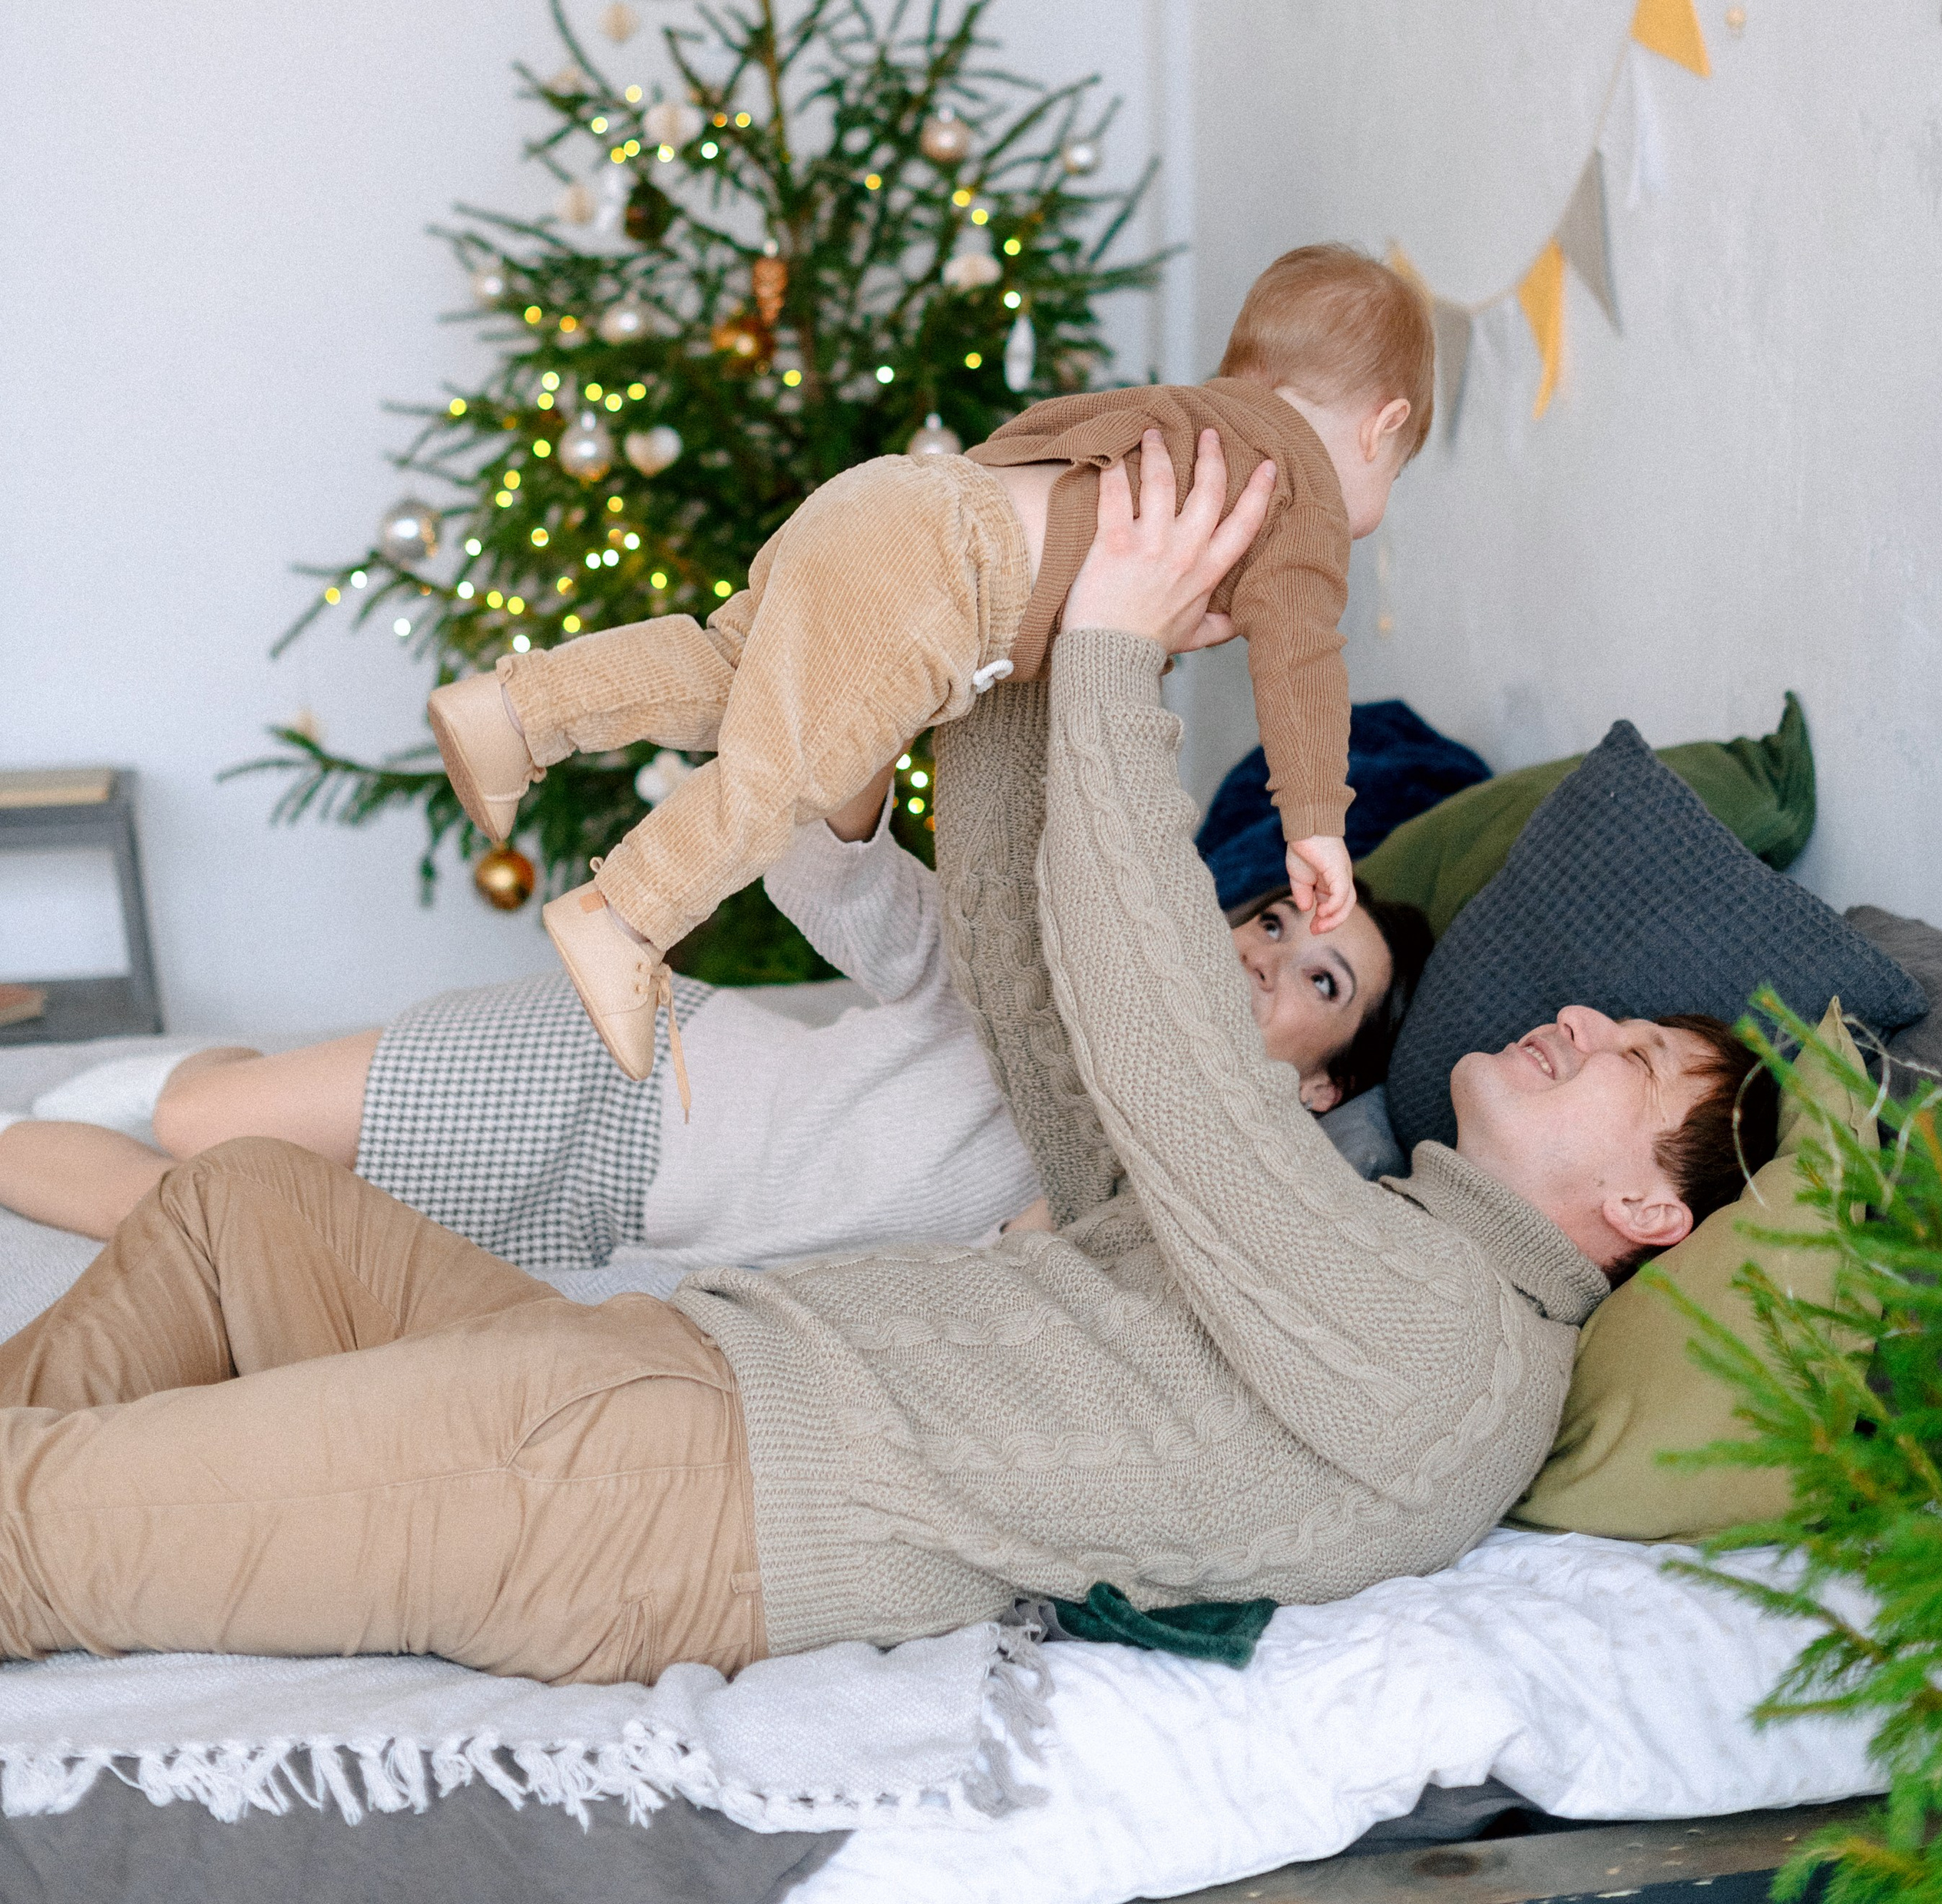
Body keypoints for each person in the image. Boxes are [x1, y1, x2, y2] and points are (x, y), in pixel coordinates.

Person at [0, 436, 1772, 1680]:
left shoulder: (1457, 1352)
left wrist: (1115, 667)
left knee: (44, 1519)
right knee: (243, 1214)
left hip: (682, 1491)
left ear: (1645, 1207)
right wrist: (1015, 626)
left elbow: (1172, 1063)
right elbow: (1035, 998)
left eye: (1635, 1057)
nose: (1577, 1022)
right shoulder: (1366, 1230)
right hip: (667, 1373)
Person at [428, 244, 1434, 1076]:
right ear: (1381, 427)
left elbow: (1033, 442)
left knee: (734, 667)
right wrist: (1315, 824)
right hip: (953, 582)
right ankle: (627, 918)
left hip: (902, 498)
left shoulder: (1188, 414)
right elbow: (1303, 663)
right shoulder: (1297, 487)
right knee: (792, 767)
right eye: (1393, 474)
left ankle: (515, 714)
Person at [0, 815, 1428, 1257]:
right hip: (618, 1070)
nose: (1266, 958)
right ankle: (203, 1078)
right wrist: (857, 769)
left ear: (1320, 1092)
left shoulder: (1157, 1203)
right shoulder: (1037, 989)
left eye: (1320, 984)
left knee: (198, 1235)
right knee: (190, 1142)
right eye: (1272, 926)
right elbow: (849, 882)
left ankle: (182, 1096)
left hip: (610, 1247)